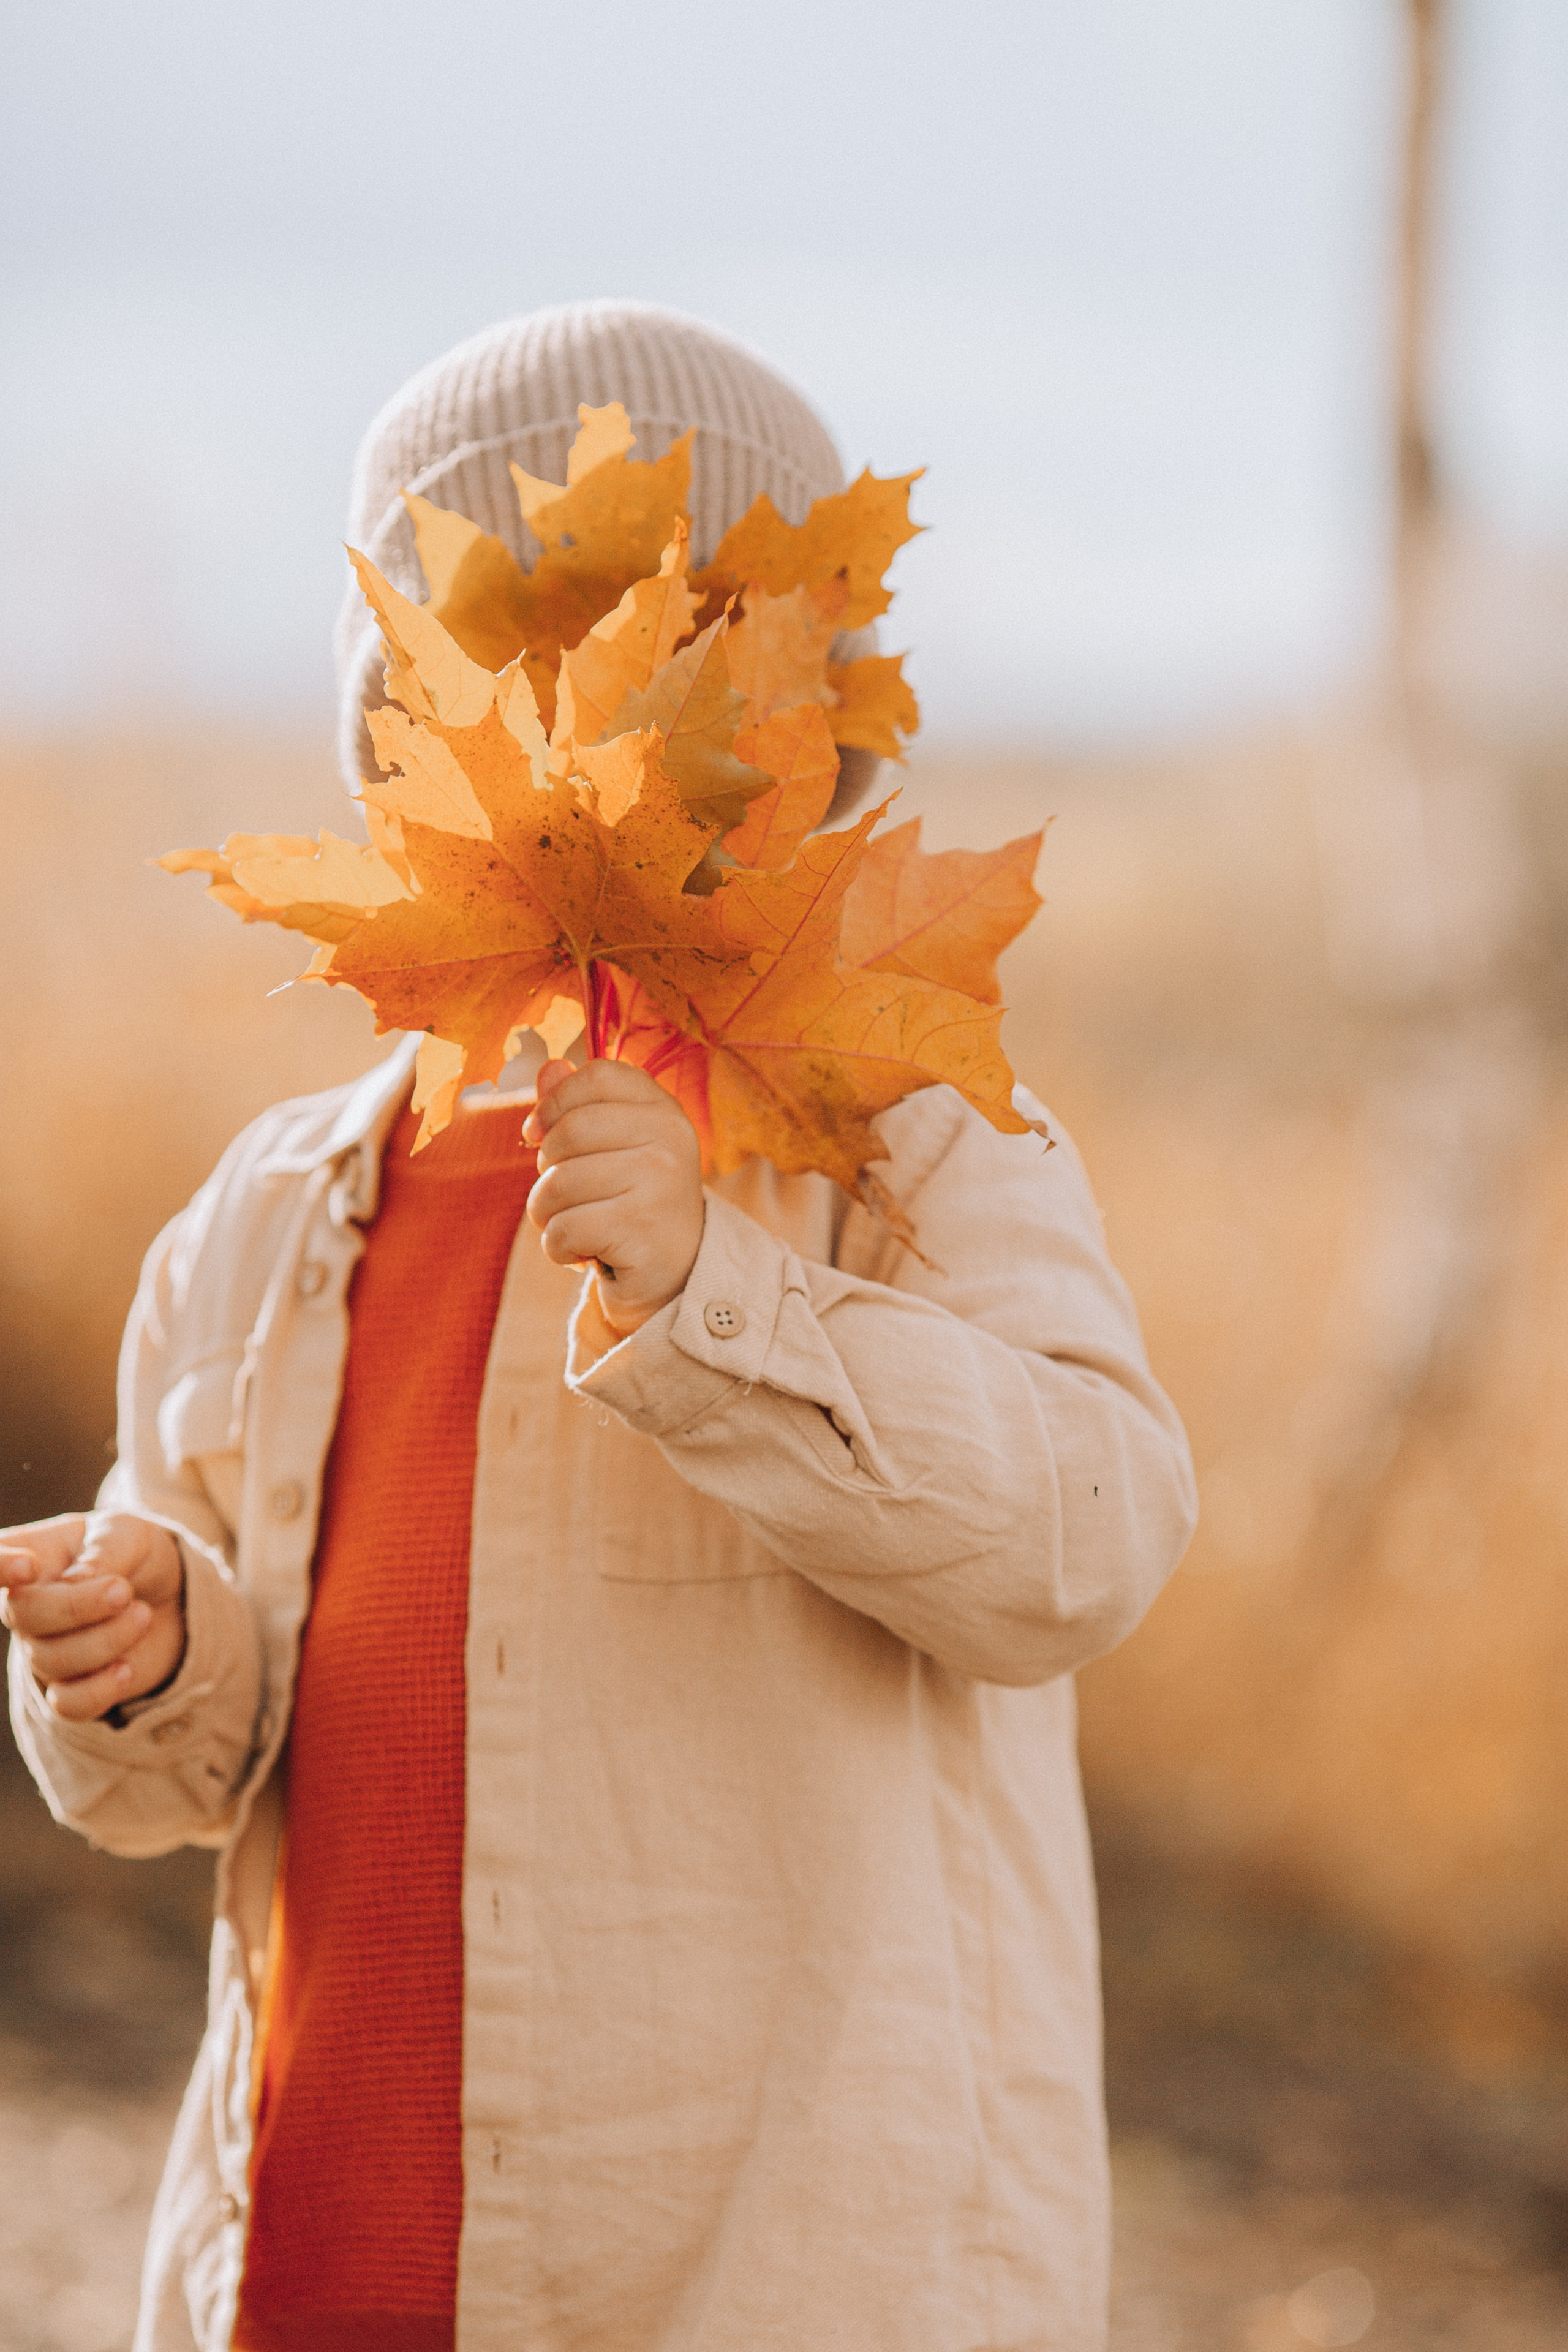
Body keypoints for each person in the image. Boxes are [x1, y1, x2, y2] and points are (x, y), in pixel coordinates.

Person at [1, 301, 1196, 2352]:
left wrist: (725, 1298)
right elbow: (185, 1777)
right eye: (527, 682)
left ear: (817, 746)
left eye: (704, 682)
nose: (612, 754)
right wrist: (158, 1641)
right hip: (324, 2238)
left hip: (772, 2257)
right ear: (406, 745)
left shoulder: (891, 1136)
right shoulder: (277, 1207)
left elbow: (1088, 1535)